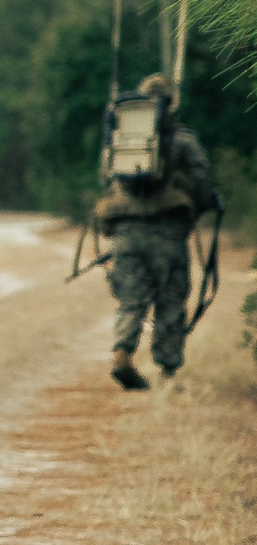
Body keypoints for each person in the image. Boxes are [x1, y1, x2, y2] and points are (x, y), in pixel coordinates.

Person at [95, 73, 218, 391]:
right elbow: (202, 183)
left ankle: (122, 353)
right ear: (171, 103)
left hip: (125, 233)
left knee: (130, 299)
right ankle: (166, 370)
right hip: (167, 234)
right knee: (170, 300)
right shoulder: (182, 140)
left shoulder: (121, 140)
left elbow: (106, 178)